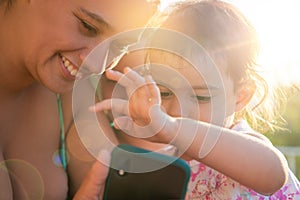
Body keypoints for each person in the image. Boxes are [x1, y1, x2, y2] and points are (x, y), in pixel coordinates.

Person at [91, 0, 300, 198]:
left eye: (201, 97)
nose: (178, 111)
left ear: (241, 96)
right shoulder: (169, 164)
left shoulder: (242, 144)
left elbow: (272, 173)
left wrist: (171, 127)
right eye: (164, 93)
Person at [0, 0, 157, 199]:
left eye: (120, 46)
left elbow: (109, 185)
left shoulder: (69, 88)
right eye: (87, 26)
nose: (97, 64)